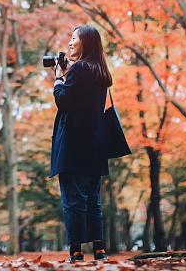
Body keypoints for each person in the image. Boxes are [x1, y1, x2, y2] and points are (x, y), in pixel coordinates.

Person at [50, 24, 112, 262]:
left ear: (86, 42)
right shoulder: (100, 72)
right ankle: (99, 250)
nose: (70, 42)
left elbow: (63, 101)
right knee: (93, 200)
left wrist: (58, 78)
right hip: (96, 145)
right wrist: (69, 74)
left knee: (74, 200)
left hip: (74, 145)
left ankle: (76, 252)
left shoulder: (79, 70)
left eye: (74, 38)